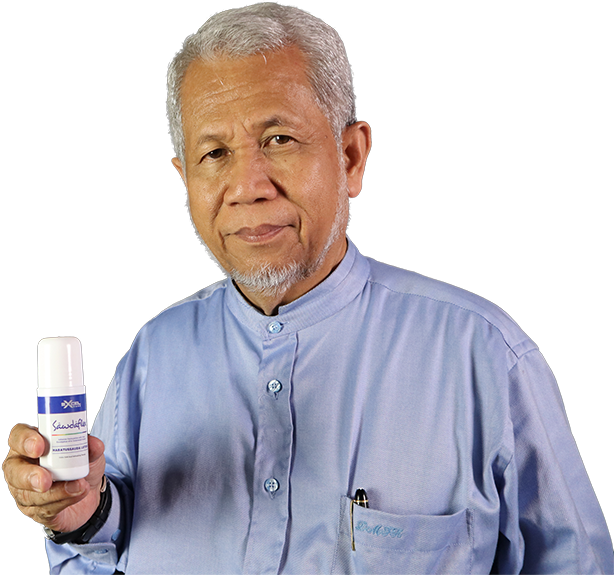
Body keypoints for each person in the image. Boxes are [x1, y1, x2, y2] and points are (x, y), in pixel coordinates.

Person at [3, 3, 613, 574]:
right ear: (185, 180)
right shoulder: (152, 354)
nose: (248, 186)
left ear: (351, 158)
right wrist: (81, 517)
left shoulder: (486, 356)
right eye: (214, 153)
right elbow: (95, 552)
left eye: (279, 140)